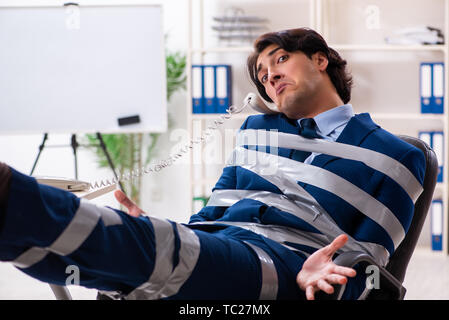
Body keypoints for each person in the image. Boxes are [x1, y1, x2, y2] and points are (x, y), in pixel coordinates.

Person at [0, 27, 425, 300]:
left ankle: (8, 195)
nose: (270, 76)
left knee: (149, 251)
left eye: (280, 60)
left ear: (320, 59)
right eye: (261, 75)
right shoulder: (257, 129)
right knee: (91, 261)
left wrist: (319, 279)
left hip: (286, 265)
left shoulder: (397, 154)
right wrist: (171, 229)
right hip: (219, 245)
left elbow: (371, 276)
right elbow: (211, 213)